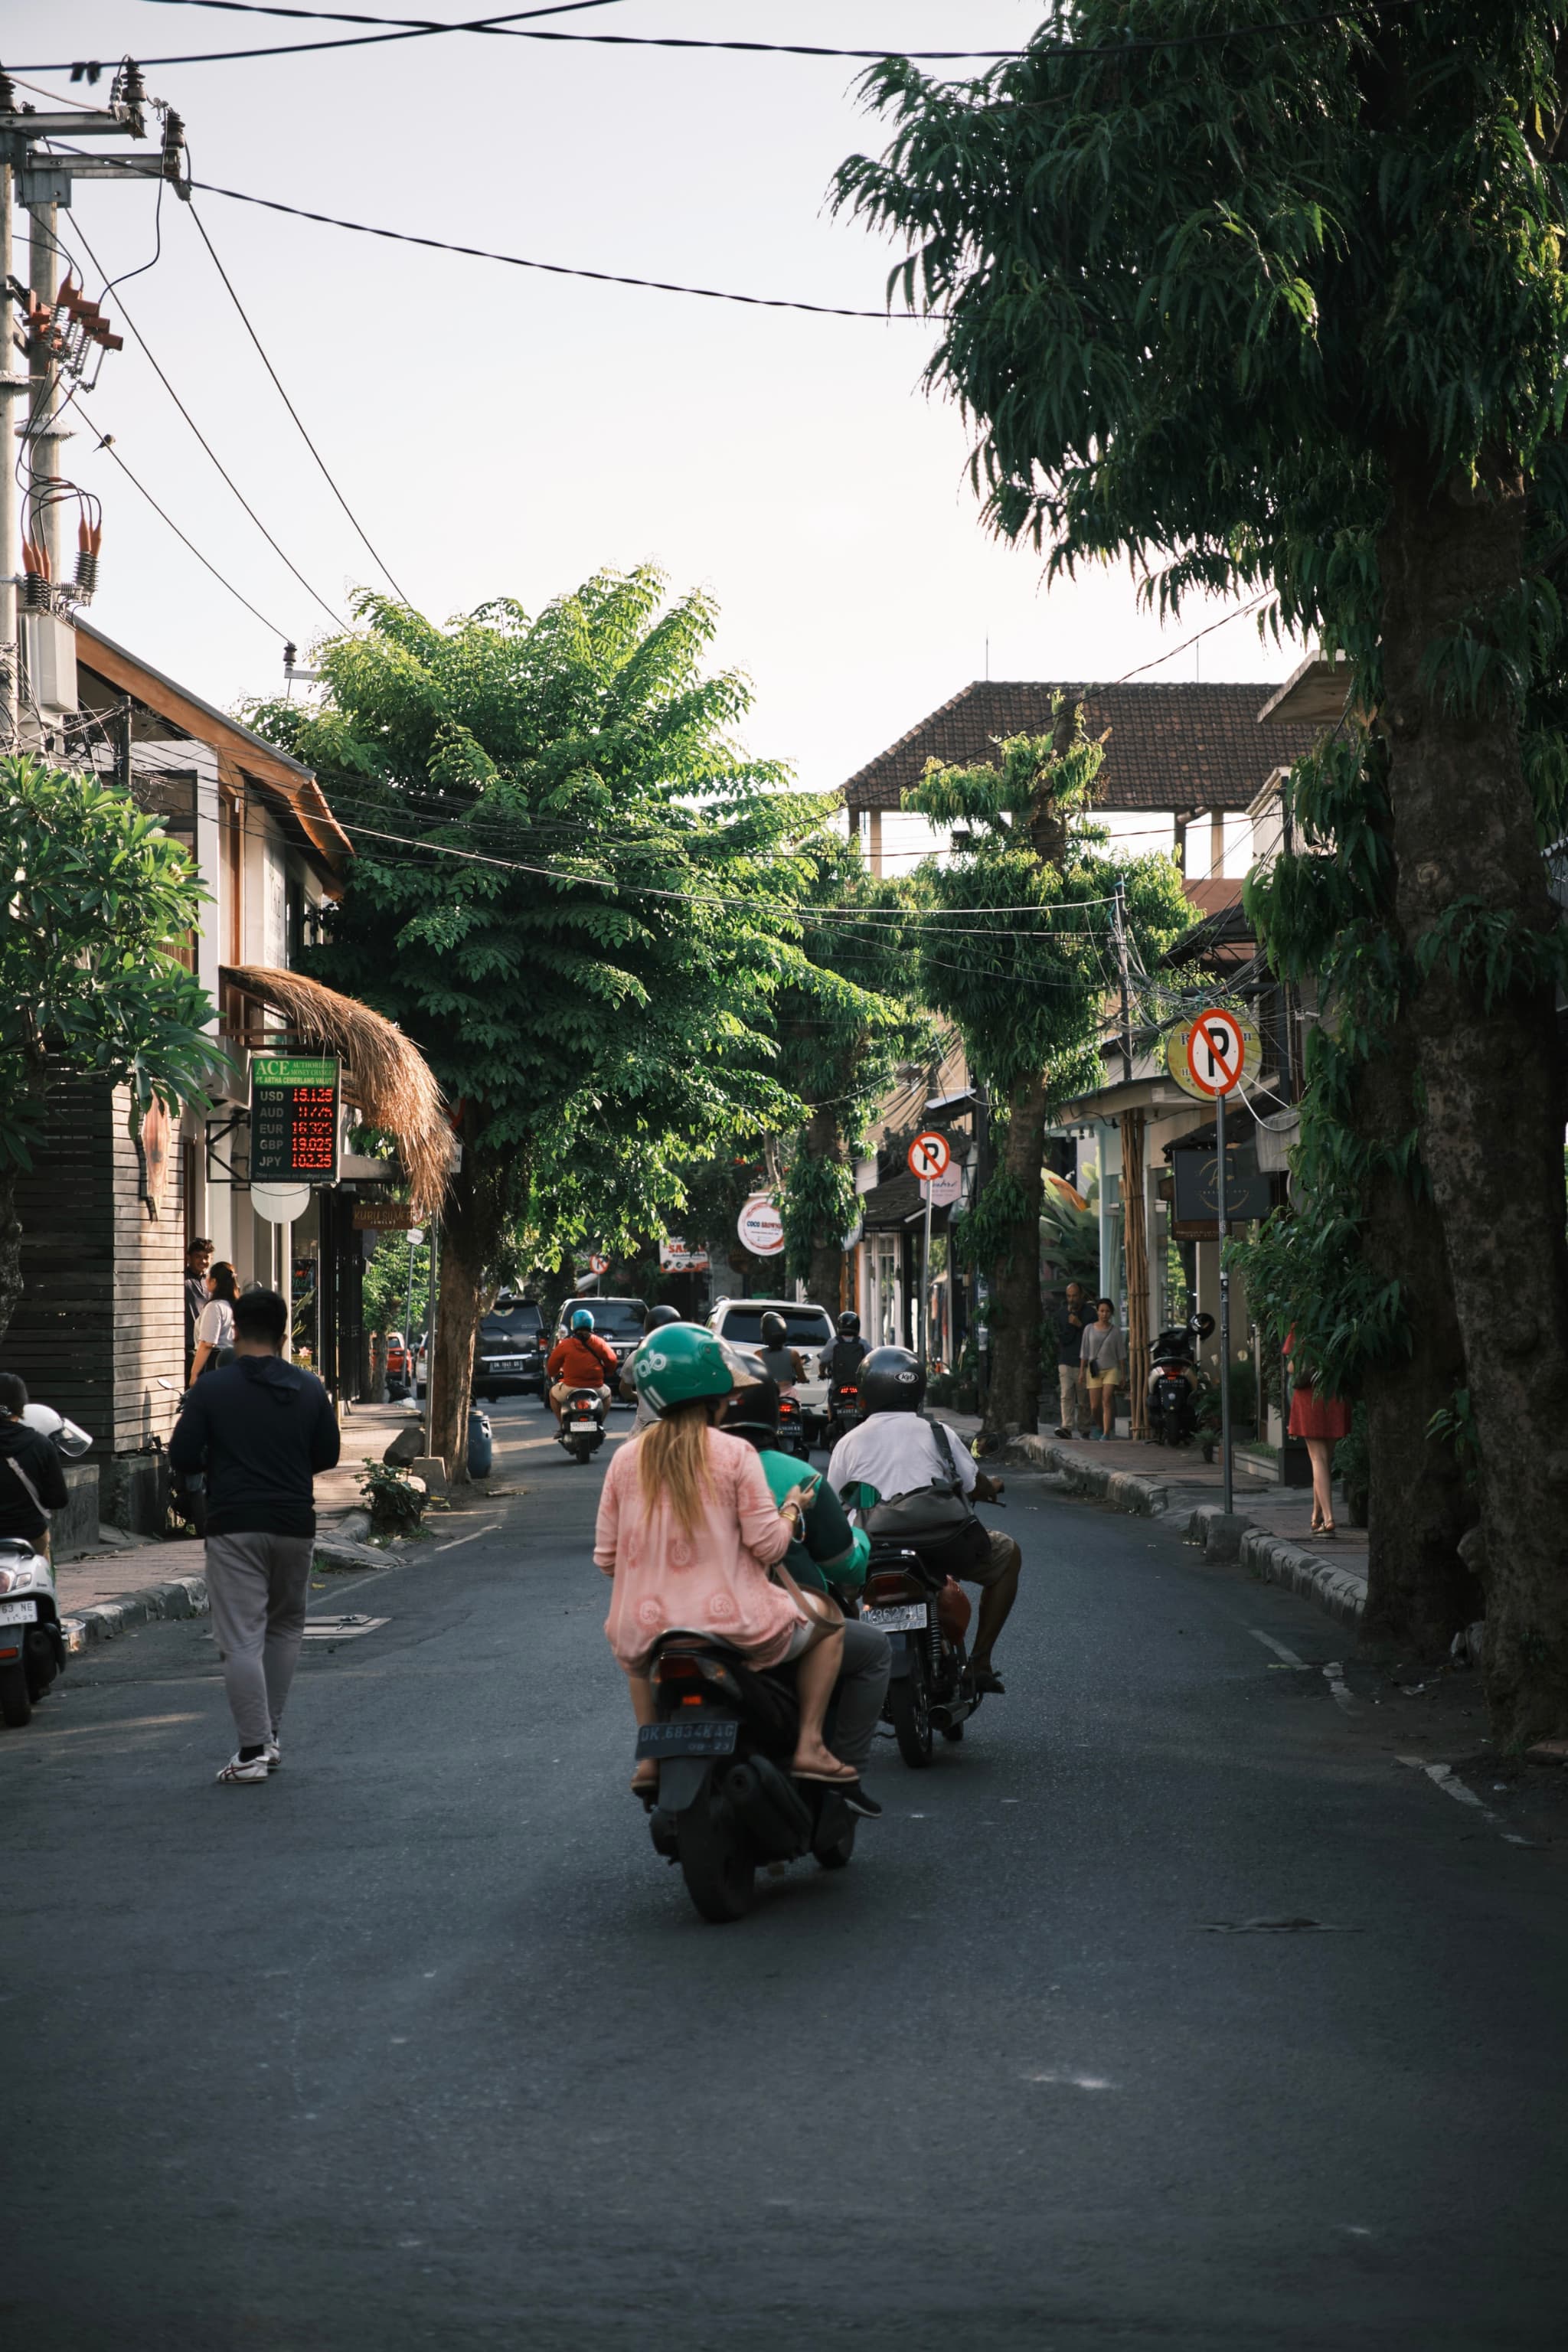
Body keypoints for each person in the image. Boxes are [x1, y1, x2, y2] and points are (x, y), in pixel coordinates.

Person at [595, 1324, 859, 1799]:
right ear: (714, 1391)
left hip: (644, 1627)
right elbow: (771, 1549)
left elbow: (607, 1561)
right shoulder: (735, 1454)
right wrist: (792, 1507)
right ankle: (812, 1746)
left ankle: (652, 1760)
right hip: (735, 1624)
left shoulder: (624, 1460)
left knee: (639, 1661)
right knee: (830, 1624)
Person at [168, 1287, 341, 1785]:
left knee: (241, 1636)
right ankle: (270, 1737)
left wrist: (224, 1460)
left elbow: (182, 1456)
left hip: (234, 1524)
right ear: (285, 1335)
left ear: (236, 1329)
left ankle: (251, 1752)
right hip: (294, 1523)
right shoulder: (309, 1389)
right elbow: (326, 1455)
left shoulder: (212, 1390)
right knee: (285, 1628)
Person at [716, 1354, 887, 1815]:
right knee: (871, 1649)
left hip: (685, 1620)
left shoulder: (681, 1470)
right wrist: (860, 1540)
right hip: (767, 1622)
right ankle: (840, 1770)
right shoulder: (794, 1476)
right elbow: (845, 1566)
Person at [826, 1346, 1021, 1696]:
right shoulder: (938, 1433)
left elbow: (833, 1502)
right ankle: (979, 1663)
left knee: (834, 1591)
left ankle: (848, 1669)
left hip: (874, 1549)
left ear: (867, 1392)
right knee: (1008, 1554)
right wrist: (993, 1487)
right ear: (917, 1391)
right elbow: (975, 1484)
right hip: (942, 1544)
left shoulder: (848, 1443)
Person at [1285, 1328, 1351, 1538]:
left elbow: (1293, 1365)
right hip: (1335, 1394)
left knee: (1317, 1459)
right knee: (1324, 1461)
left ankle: (1329, 1518)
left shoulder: (1299, 1327)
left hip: (1310, 1398)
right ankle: (1317, 1516)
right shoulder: (1337, 1321)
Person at [0, 1374, 68, 1553]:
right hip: (28, 1532)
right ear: (21, 1405)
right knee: (41, 1565)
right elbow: (58, 1499)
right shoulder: (40, 1444)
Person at [547, 1306, 619, 1426]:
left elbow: (551, 1367)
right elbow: (612, 1361)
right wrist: (608, 1372)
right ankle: (600, 1424)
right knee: (607, 1395)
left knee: (552, 1395)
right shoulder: (599, 1342)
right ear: (591, 1324)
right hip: (596, 1388)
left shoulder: (566, 1344)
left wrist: (554, 1373)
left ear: (573, 1325)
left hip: (570, 1388)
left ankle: (562, 1426)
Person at [620, 1304, 684, 1431]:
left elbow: (624, 1390)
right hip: (679, 1426)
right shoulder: (687, 1356)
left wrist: (635, 1395)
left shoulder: (637, 1356)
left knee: (628, 1450)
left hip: (645, 1427)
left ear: (647, 1330)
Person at [1080, 1296, 1127, 1439]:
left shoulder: (1116, 1331)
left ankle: (1106, 1433)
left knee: (1106, 1400)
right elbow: (1084, 1352)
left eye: (1107, 1311)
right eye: (1102, 1311)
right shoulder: (1089, 1329)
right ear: (1097, 1312)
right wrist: (1082, 1371)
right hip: (1094, 1370)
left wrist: (1123, 1374)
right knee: (1094, 1406)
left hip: (1111, 1369)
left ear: (1111, 1313)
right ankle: (1100, 1426)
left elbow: (1121, 1355)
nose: (1104, 1314)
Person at [1053, 1282, 1092, 1438]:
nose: (1072, 1299)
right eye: (1069, 1296)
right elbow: (1062, 1338)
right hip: (1066, 1360)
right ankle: (1067, 1427)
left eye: (1074, 1295)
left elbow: (1092, 1338)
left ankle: (1084, 1429)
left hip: (1084, 1362)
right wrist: (1071, 1325)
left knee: (1083, 1400)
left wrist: (1079, 1325)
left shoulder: (1090, 1314)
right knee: (1066, 1394)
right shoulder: (1062, 1314)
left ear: (1081, 1296)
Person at [189, 1259, 239, 1381]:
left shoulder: (214, 1307)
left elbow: (207, 1344)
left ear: (214, 1281)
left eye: (208, 1276)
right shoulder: (234, 1306)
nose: (206, 1280)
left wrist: (194, 1374)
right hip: (233, 1363)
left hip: (213, 1363)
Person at [183, 1236, 214, 1378]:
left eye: (206, 1257)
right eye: (198, 1257)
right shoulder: (183, 1280)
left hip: (207, 1346)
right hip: (189, 1346)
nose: (203, 1261)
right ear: (188, 1258)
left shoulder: (211, 1283)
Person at [756, 1309, 806, 1392]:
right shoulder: (794, 1354)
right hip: (789, 1395)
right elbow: (802, 1378)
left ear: (764, 1333)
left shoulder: (758, 1355)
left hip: (769, 1395)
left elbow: (754, 1378)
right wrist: (804, 1380)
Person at [822, 1309, 868, 1392]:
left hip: (837, 1386)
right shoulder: (863, 1343)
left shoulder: (833, 1343)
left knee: (832, 1398)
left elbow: (823, 1362)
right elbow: (871, 1359)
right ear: (857, 1327)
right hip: (858, 1385)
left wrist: (822, 1373)